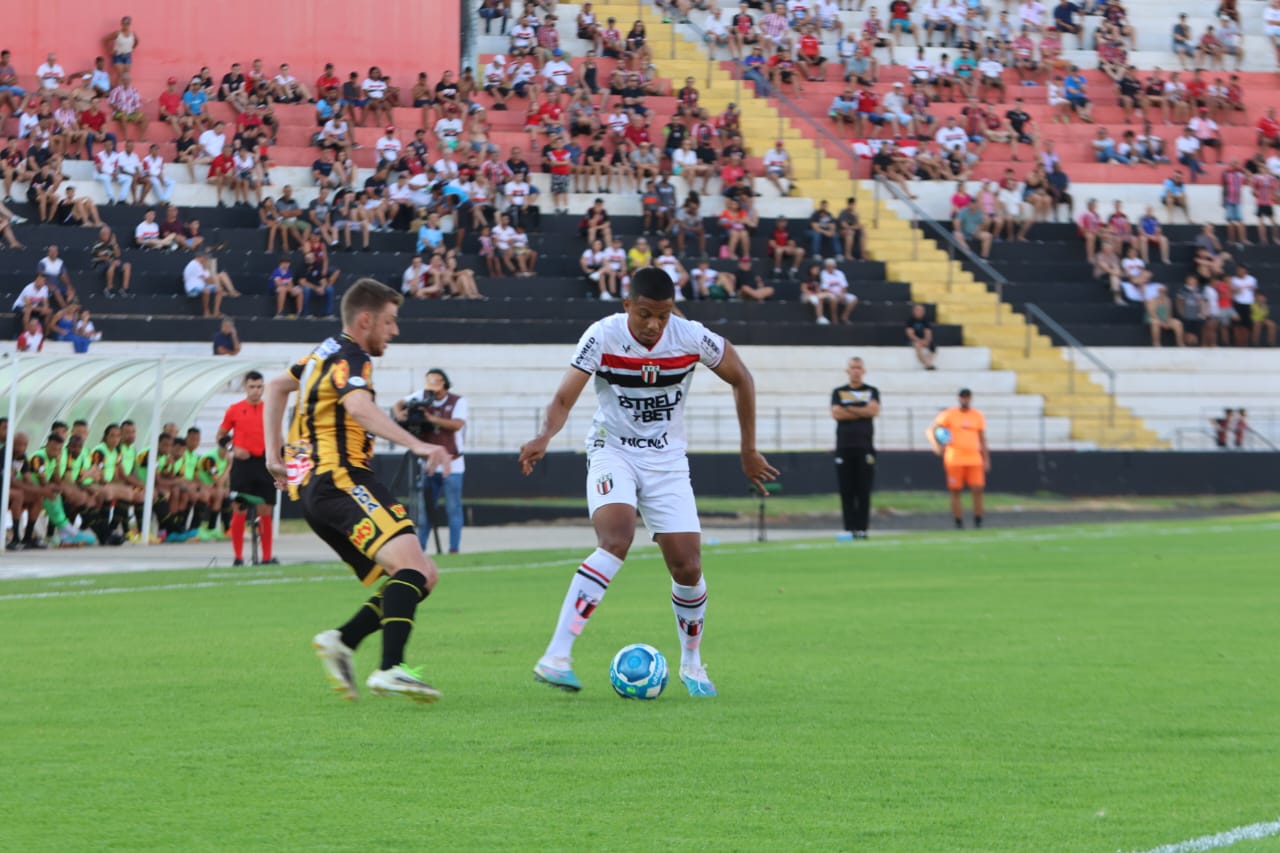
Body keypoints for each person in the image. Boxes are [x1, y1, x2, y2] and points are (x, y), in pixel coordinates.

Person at [519, 268, 777, 697]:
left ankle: (692, 664)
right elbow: (565, 397)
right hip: (612, 449)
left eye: (663, 315)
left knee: (688, 566)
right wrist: (545, 434)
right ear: (627, 306)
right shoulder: (602, 336)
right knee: (616, 538)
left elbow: (742, 377)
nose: (655, 325)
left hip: (667, 460)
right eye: (644, 315)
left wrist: (748, 449)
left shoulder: (691, 337)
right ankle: (556, 656)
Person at [262, 278, 452, 703]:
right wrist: (419, 444)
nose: (395, 330)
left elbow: (275, 387)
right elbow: (358, 407)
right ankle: (390, 669)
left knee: (424, 574)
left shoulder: (321, 353)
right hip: (342, 479)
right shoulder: (352, 355)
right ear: (365, 319)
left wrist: (273, 454)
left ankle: (343, 641)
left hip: (316, 490)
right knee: (414, 570)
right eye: (390, 321)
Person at [392, 369, 468, 554]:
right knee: (425, 511)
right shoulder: (422, 396)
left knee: (453, 508)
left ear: (445, 385)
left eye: (437, 388)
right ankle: (420, 549)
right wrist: (399, 415)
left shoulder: (458, 401)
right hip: (428, 464)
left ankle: (453, 549)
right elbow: (399, 403)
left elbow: (457, 424)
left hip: (452, 463)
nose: (434, 393)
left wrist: (431, 419)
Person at [217, 371, 277, 567]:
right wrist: (233, 449)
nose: (256, 391)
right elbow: (221, 436)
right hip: (243, 465)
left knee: (265, 509)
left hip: (264, 462)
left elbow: (278, 435)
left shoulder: (269, 409)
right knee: (239, 507)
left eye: (259, 387)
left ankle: (267, 556)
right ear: (245, 387)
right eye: (252, 387)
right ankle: (238, 556)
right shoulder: (235, 409)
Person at [831, 357, 880, 540]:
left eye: (859, 368)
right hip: (844, 447)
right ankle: (849, 528)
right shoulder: (839, 392)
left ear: (864, 371)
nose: (856, 371)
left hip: (865, 447)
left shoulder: (872, 391)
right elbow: (836, 413)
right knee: (846, 490)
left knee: (864, 489)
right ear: (847, 371)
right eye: (853, 368)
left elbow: (873, 411)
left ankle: (862, 528)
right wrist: (861, 410)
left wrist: (849, 409)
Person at [927, 388, 989, 529]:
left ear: (971, 399)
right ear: (958, 398)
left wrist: (986, 458)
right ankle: (958, 521)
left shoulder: (977, 416)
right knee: (955, 490)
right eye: (962, 397)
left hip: (974, 457)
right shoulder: (949, 414)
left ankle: (978, 519)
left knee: (977, 489)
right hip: (955, 458)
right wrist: (936, 445)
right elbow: (932, 429)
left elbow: (982, 439)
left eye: (967, 397)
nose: (964, 400)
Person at [905, 303, 938, 369]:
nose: (920, 312)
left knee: (932, 346)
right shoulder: (910, 320)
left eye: (921, 310)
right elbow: (910, 334)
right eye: (918, 310)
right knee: (917, 345)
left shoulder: (925, 320)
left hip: (923, 340)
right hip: (914, 340)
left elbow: (928, 332)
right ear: (914, 311)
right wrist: (920, 341)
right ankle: (927, 364)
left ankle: (928, 363)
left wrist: (926, 340)